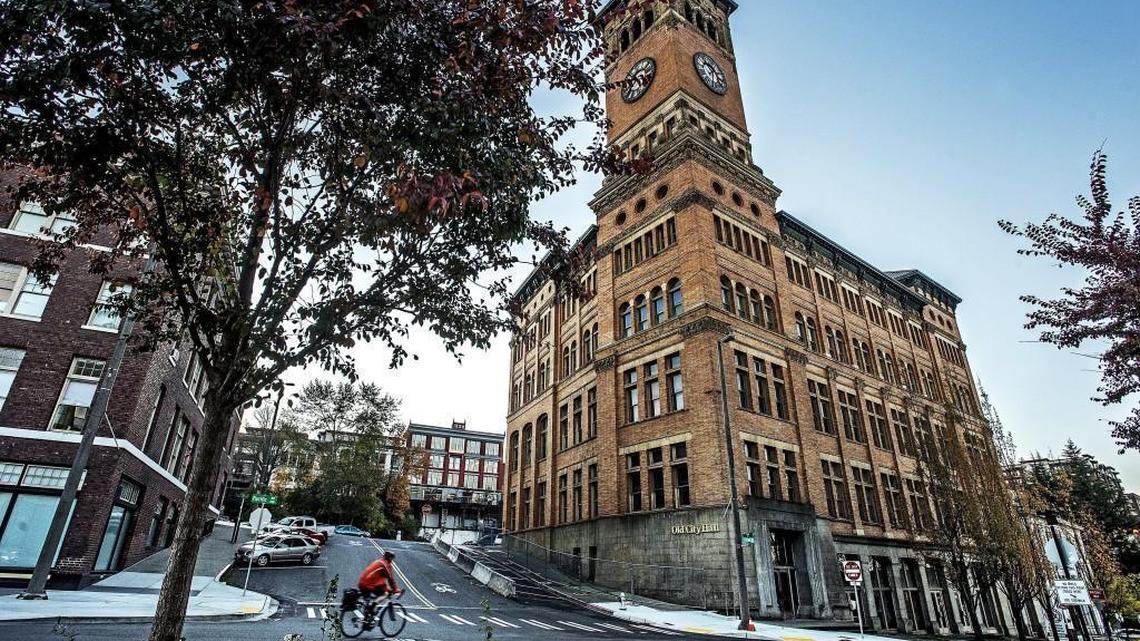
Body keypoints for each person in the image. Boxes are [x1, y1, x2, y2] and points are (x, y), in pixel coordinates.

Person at [357, 550, 403, 614]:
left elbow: (385, 579)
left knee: (376, 595)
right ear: (390, 558)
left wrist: (389, 587)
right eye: (392, 558)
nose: (392, 560)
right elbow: (390, 578)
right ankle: (372, 607)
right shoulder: (385, 565)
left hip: (362, 582)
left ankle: (367, 615)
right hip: (368, 584)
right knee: (385, 594)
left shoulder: (378, 561)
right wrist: (395, 590)